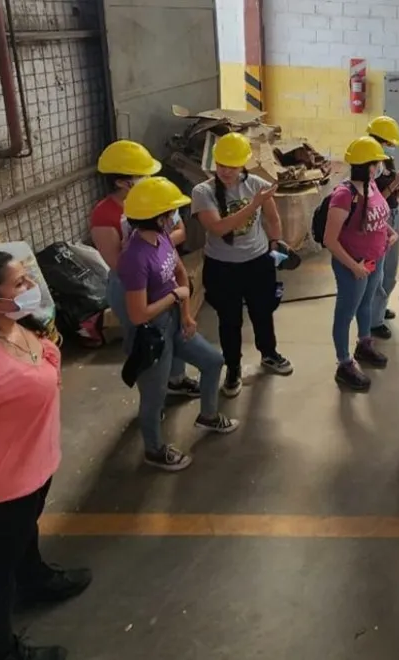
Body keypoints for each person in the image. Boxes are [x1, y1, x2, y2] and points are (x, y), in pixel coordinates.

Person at [0, 251, 92, 660]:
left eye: (28, 278)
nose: (31, 288)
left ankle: (35, 578)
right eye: (20, 284)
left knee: (26, 534)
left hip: (35, 468)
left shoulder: (18, 326)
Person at [119, 177, 239, 471]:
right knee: (154, 396)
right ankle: (154, 449)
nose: (176, 217)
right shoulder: (134, 258)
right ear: (158, 217)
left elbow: (180, 273)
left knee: (213, 361)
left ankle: (208, 415)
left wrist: (186, 314)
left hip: (174, 320)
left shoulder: (161, 239)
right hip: (152, 332)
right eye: (171, 212)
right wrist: (175, 296)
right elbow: (137, 315)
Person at [91, 140, 201, 399]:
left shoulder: (153, 196)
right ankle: (152, 397)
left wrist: (153, 245)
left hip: (163, 275)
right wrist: (156, 245)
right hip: (131, 286)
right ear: (121, 182)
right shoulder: (104, 215)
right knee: (144, 342)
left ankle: (176, 379)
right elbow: (119, 263)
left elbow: (180, 232)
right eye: (141, 175)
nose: (148, 178)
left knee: (172, 331)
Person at [192, 132, 293, 398]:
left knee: (263, 312)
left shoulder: (256, 185)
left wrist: (275, 243)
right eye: (221, 165)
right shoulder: (202, 193)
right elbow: (217, 228)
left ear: (243, 164)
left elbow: (272, 219)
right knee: (229, 320)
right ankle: (233, 367)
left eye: (232, 165)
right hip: (222, 267)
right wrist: (254, 205)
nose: (226, 171)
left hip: (258, 263)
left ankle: (269, 353)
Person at [323, 136, 396, 391]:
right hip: (352, 266)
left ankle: (364, 344)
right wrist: (354, 267)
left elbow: (376, 214)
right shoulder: (344, 195)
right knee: (346, 312)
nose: (381, 167)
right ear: (368, 165)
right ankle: (344, 363)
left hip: (373, 261)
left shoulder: (371, 186)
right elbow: (330, 240)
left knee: (366, 304)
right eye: (377, 163)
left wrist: (389, 232)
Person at [365, 116, 399, 340]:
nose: (391, 148)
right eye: (389, 144)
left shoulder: (386, 163)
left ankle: (380, 308)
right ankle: (374, 321)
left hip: (392, 216)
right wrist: (393, 185)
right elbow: (372, 203)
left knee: (390, 271)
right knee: (378, 271)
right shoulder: (369, 167)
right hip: (379, 221)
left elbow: (392, 199)